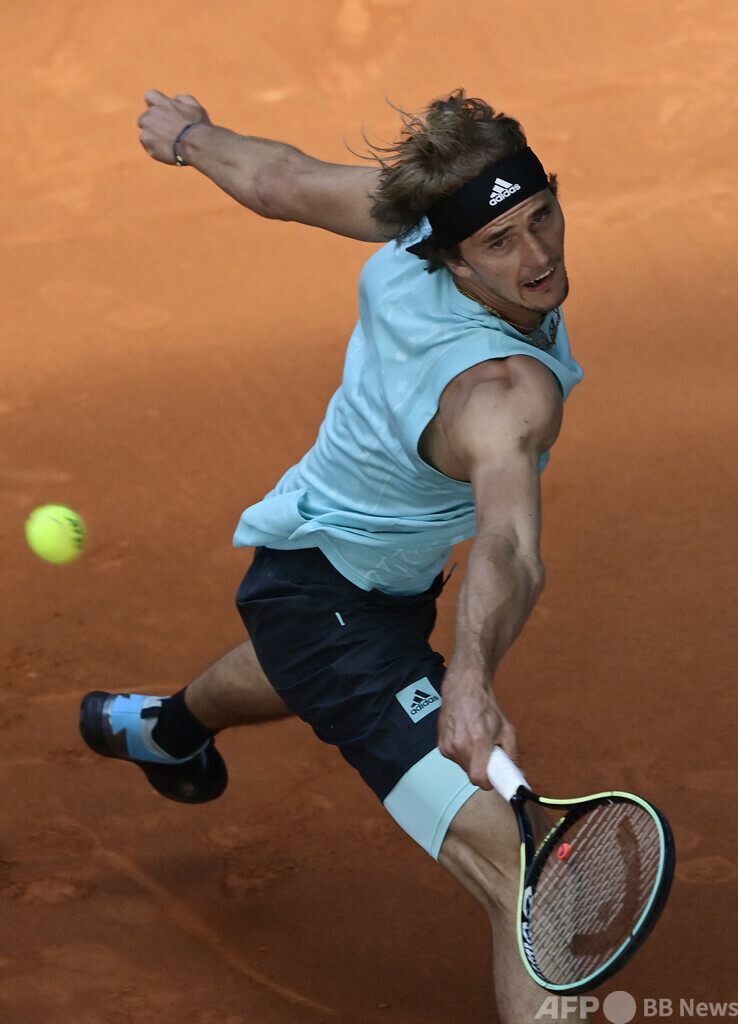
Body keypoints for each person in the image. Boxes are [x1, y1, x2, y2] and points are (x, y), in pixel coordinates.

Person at [80, 88, 586, 1023]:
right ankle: (178, 723)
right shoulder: (503, 396)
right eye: (501, 242)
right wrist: (469, 680)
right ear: (451, 257)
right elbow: (509, 545)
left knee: (307, 656)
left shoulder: (413, 220)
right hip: (335, 613)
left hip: (327, 575)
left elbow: (279, 181)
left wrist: (189, 134)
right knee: (528, 877)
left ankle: (169, 729)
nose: (538, 257)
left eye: (542, 215)